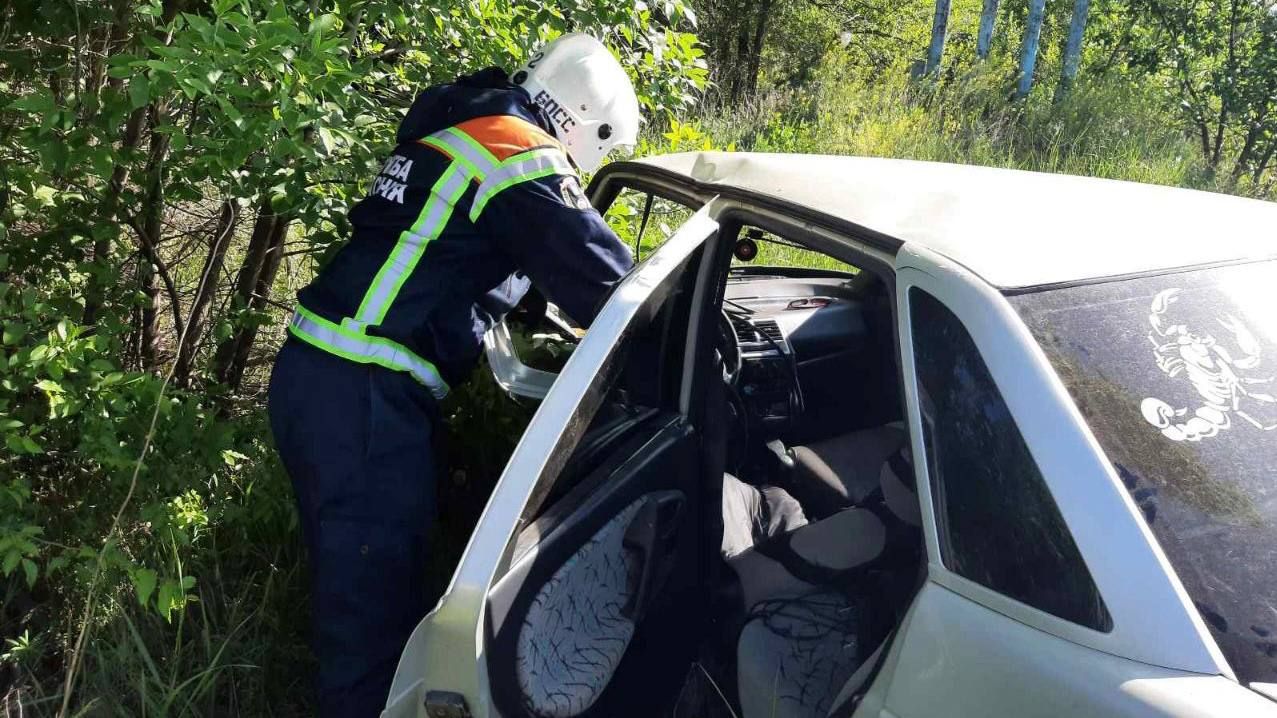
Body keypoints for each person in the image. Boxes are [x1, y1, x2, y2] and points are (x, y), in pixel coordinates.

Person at [266, 33, 639, 717]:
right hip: (363, 393)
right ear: (586, 120)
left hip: (321, 375)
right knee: (371, 614)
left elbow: (457, 249)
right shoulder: (519, 150)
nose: (592, 164)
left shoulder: (462, 124)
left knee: (358, 580)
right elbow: (608, 280)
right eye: (602, 148)